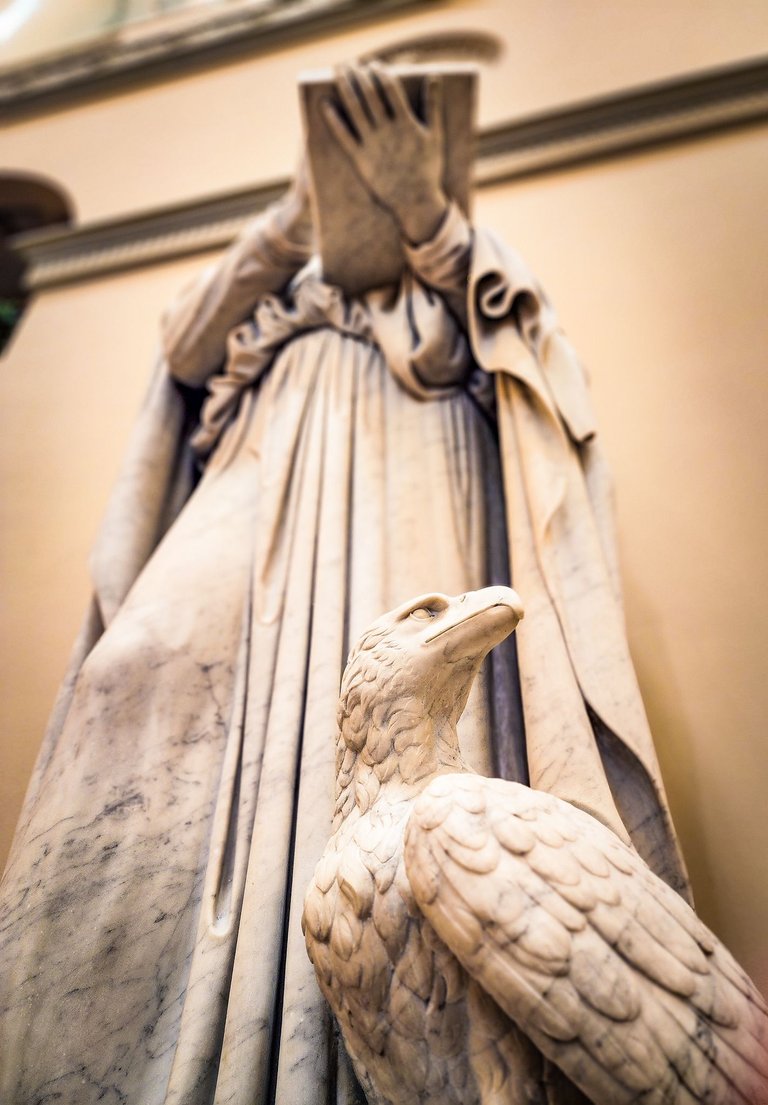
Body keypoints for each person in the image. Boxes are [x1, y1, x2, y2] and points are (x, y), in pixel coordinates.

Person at [0, 64, 689, 1105]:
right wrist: (299, 211)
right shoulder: (280, 289)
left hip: (414, 460)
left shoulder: (462, 269)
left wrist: (424, 210)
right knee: (129, 670)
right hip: (264, 462)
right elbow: (188, 347)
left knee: (405, 726)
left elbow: (532, 368)